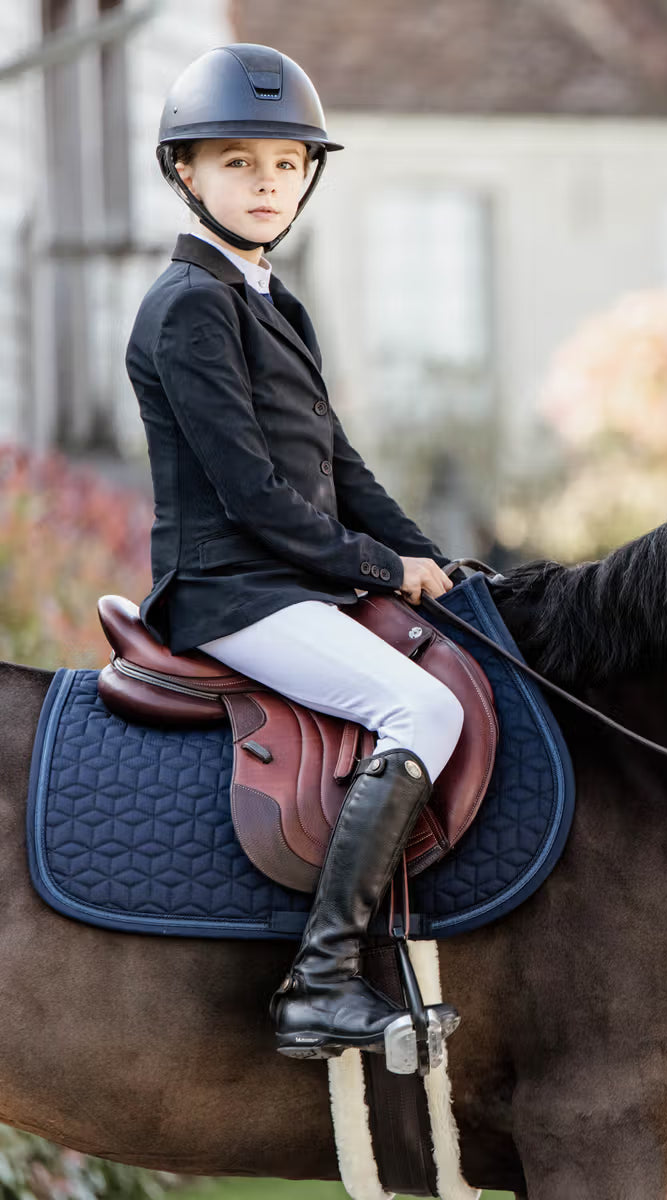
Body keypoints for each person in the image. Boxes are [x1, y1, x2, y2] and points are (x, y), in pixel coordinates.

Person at [125, 43, 466, 1059]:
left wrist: (433, 560)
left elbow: (340, 468)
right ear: (188, 173)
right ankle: (319, 984)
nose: (265, 181)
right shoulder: (189, 307)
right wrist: (375, 569)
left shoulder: (274, 299)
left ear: (310, 173)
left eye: (284, 162)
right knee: (423, 707)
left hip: (286, 587)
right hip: (232, 594)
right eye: (237, 162)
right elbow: (254, 498)